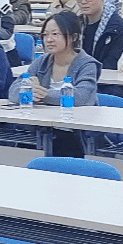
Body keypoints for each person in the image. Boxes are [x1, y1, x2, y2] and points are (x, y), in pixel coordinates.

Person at [11, 11, 101, 155]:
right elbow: (13, 89)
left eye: (55, 34)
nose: (49, 39)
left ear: (73, 37)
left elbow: (81, 97)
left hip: (75, 131)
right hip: (44, 127)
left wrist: (43, 94)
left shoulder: (87, 64)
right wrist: (28, 92)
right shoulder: (42, 61)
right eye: (45, 35)